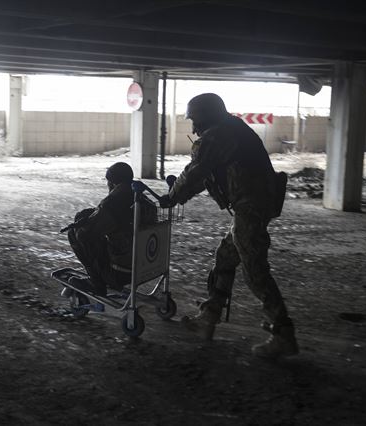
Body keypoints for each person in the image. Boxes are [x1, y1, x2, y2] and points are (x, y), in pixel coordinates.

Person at [159, 93, 298, 358]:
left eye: (195, 120)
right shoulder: (232, 128)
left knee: (255, 271)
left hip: (250, 207)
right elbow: (204, 174)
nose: (194, 127)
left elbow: (196, 172)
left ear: (207, 115)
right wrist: (178, 193)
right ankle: (208, 318)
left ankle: (283, 333)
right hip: (254, 205)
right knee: (225, 258)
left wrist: (173, 197)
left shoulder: (217, 136)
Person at [67, 162, 157, 296]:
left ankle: (96, 283)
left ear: (113, 183)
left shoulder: (112, 204)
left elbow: (86, 235)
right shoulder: (143, 199)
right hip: (148, 264)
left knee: (75, 234)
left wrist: (83, 221)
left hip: (121, 272)